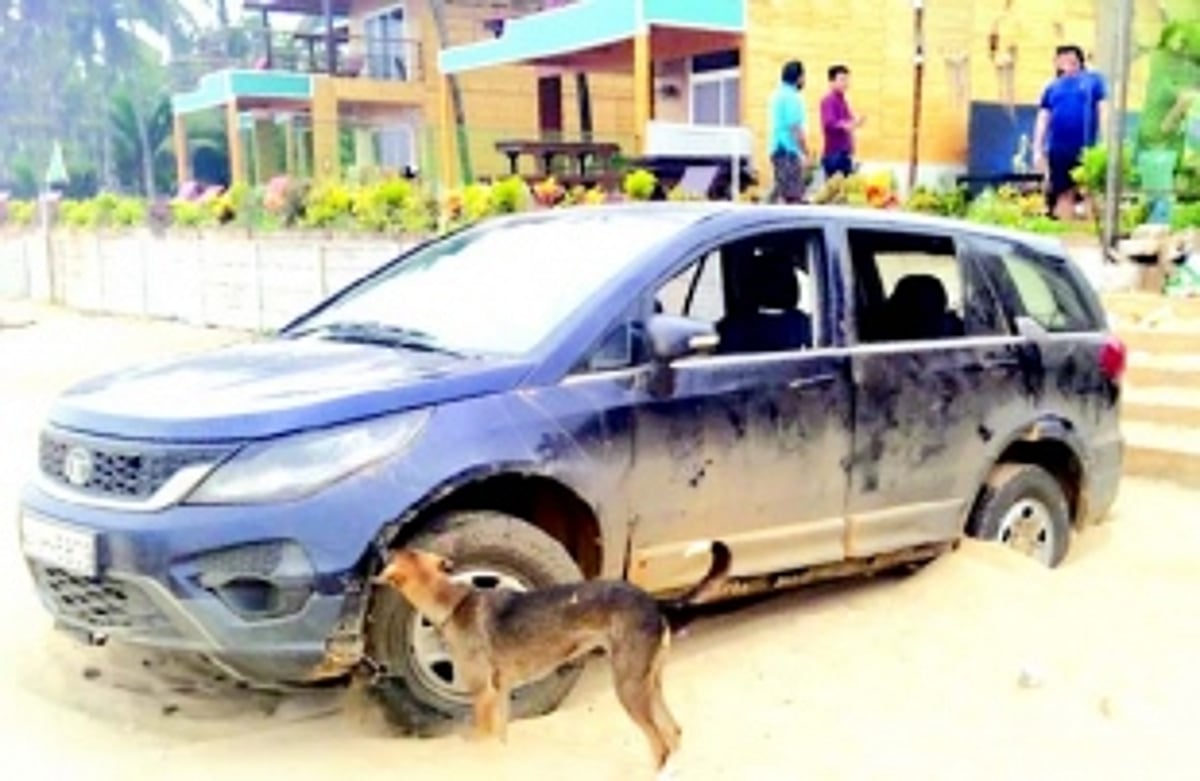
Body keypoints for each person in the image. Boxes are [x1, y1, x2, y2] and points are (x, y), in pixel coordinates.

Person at [1032, 45, 1108, 219]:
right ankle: (1066, 234)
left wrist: (1106, 142)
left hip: (1086, 148)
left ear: (1079, 61)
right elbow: (1043, 118)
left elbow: (1103, 109)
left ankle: (1091, 234)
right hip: (1058, 150)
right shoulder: (1052, 87)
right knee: (1063, 194)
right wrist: (1037, 149)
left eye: (1070, 57)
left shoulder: (1093, 81)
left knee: (1089, 191)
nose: (1066, 61)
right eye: (1062, 58)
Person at [767, 60, 809, 204]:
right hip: (787, 151)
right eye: (804, 76)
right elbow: (795, 128)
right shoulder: (792, 97)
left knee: (779, 190)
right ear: (798, 77)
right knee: (793, 196)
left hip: (776, 148)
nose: (804, 80)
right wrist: (805, 151)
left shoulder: (777, 94)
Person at [820, 64, 866, 179]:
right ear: (831, 82)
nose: (846, 83)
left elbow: (849, 123)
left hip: (844, 153)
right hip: (834, 155)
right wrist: (847, 125)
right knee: (835, 193)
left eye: (847, 79)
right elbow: (829, 124)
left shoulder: (843, 100)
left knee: (845, 192)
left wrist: (857, 122)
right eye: (842, 79)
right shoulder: (828, 100)